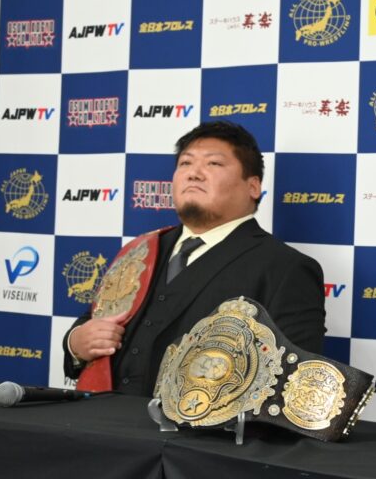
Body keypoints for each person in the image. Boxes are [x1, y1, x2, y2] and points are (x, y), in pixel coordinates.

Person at [64, 120, 326, 397]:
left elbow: (291, 381)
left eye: (213, 163)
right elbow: (94, 321)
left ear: (253, 186)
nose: (194, 174)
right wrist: (75, 344)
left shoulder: (286, 268)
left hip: (198, 426)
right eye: (185, 163)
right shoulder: (139, 251)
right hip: (99, 415)